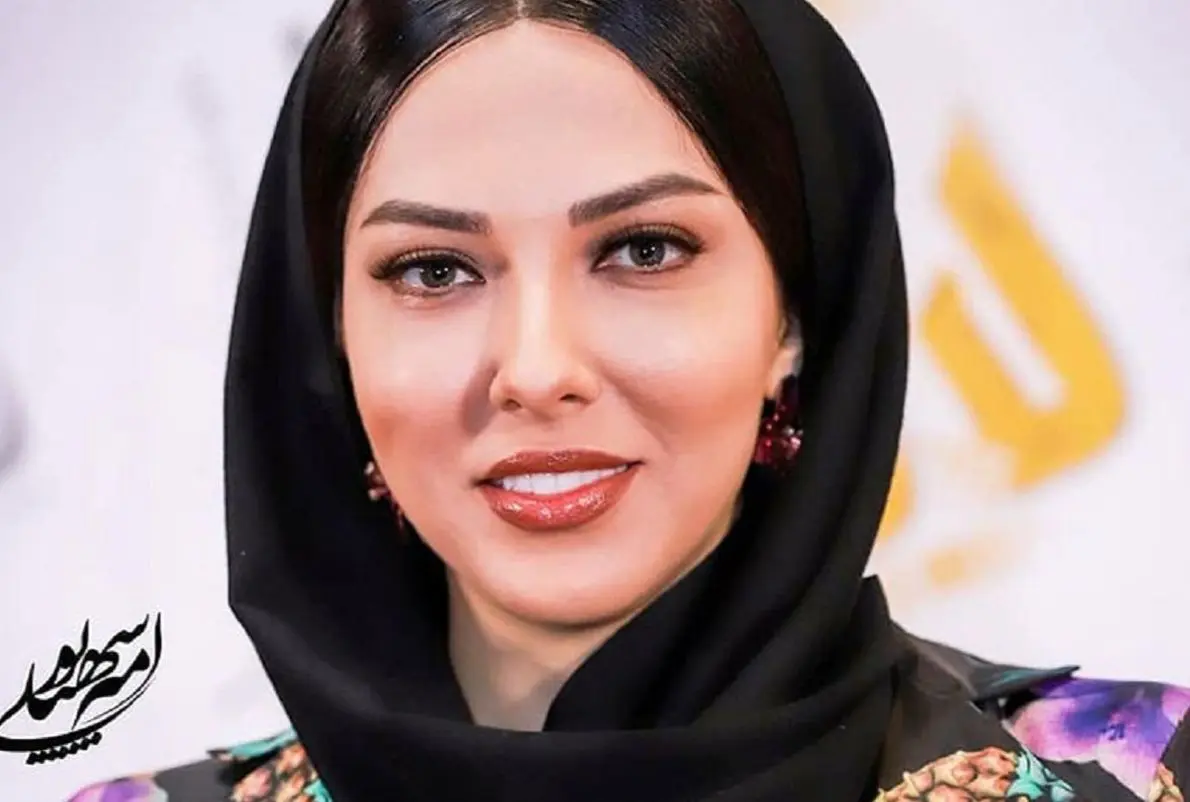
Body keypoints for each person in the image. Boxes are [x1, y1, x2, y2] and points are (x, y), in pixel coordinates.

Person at [69, 0, 1190, 800]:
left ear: (794, 320)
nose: (534, 367)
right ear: (330, 341)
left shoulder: (1135, 779)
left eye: (643, 249)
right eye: (433, 270)